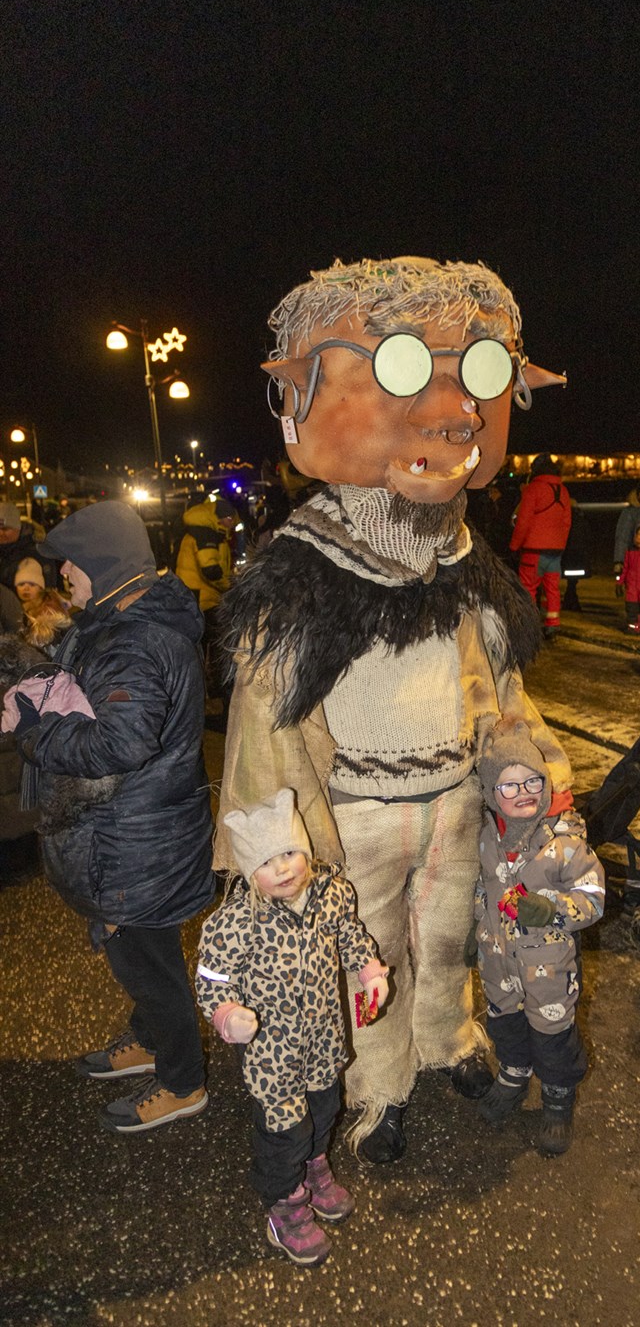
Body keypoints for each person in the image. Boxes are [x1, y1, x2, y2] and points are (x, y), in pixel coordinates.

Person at [216, 256, 572, 1164]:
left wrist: (532, 766)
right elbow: (267, 731)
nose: (457, 412)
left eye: (479, 376)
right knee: (368, 956)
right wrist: (277, 845)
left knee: (445, 937)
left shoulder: (463, 557)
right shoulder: (302, 572)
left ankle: (447, 1037)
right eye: (406, 370)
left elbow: (496, 681)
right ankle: (382, 1087)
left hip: (452, 798)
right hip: (357, 811)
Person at [1, 500, 214, 1129]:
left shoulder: (134, 642)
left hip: (135, 839)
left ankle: (183, 1082)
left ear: (103, 563)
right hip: (138, 830)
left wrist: (35, 732)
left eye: (72, 563)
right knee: (146, 954)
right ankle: (150, 1041)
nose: (64, 574)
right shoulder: (126, 622)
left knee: (147, 966)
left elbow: (118, 743)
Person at [196, 789, 388, 1267]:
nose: (282, 868)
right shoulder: (238, 920)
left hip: (323, 1038)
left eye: (288, 853)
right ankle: (284, 1200)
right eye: (266, 861)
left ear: (305, 849)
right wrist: (226, 1013)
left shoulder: (331, 894)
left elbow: (351, 936)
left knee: (324, 1108)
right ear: (248, 870)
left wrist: (370, 972)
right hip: (272, 1051)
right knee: (285, 1130)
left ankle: (314, 1166)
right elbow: (212, 977)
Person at [469, 718, 605, 1155]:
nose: (523, 792)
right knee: (505, 1025)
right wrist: (476, 929)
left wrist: (553, 910)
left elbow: (594, 899)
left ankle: (558, 1099)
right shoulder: (486, 839)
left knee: (553, 1039)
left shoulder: (565, 844)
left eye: (533, 781)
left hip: (549, 971)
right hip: (499, 965)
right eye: (509, 786)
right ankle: (513, 1074)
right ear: (491, 793)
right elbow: (482, 889)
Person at [175, 494, 236, 704]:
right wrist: (230, 587)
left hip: (196, 598)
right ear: (221, 517)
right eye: (230, 518)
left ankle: (203, 693)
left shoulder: (202, 531)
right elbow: (211, 570)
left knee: (199, 649)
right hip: (204, 600)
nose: (232, 523)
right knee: (216, 646)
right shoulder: (206, 534)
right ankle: (213, 693)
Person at [509, 454, 572, 639]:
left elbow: (523, 522)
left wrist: (514, 546)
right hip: (555, 551)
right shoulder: (563, 490)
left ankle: (530, 625)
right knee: (552, 588)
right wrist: (560, 544)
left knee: (528, 588)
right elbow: (567, 522)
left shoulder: (533, 489)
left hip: (533, 550)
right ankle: (553, 623)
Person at [13, 556, 72, 648]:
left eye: (32, 584)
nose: (26, 588)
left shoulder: (50, 607)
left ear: (41, 587)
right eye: (21, 584)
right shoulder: (15, 606)